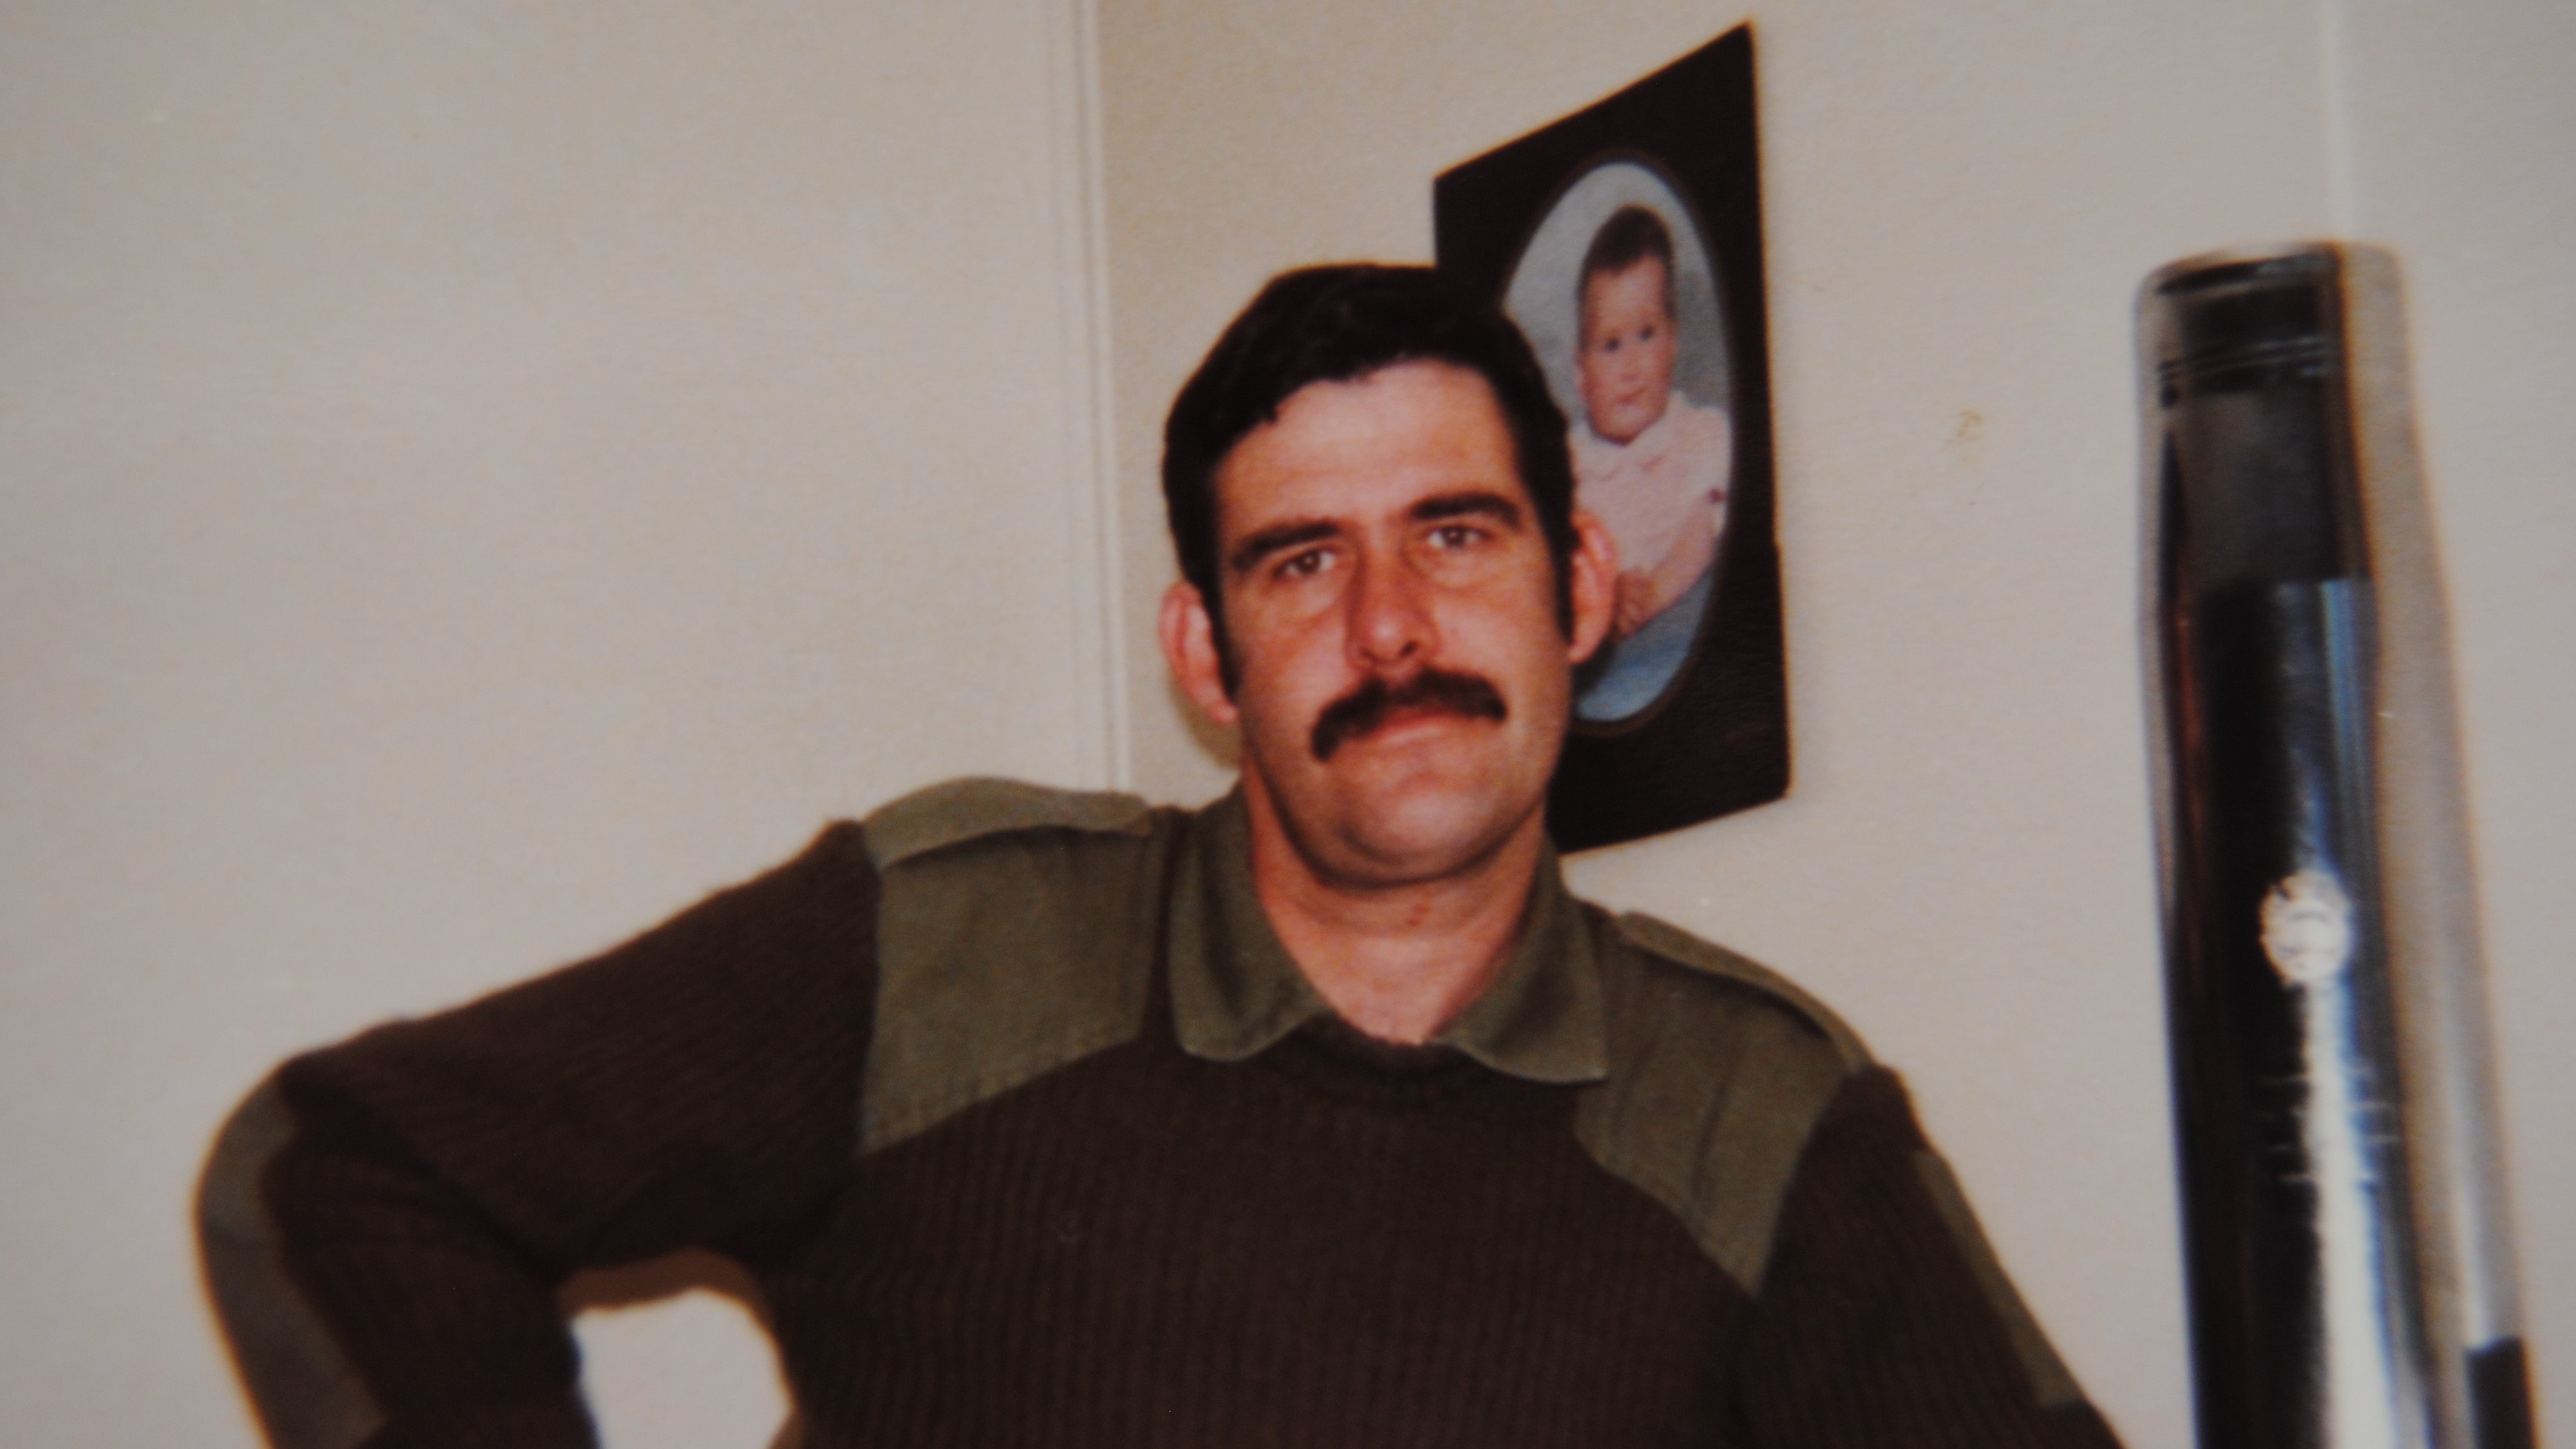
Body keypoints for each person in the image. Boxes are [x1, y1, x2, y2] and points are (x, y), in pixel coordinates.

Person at [200, 264, 2121, 1448]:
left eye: (1457, 536)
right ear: (1205, 651)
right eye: (1303, 564)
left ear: (1581, 586)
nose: (1389, 629)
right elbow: (336, 1169)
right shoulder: (944, 947)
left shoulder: (1765, 1110)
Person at [1567, 204, 1734, 721]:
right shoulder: (1570, 465)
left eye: (1647, 335)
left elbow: (1697, 533)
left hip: (1678, 628)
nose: (1632, 366)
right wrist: (1605, 600)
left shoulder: (1697, 435)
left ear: (1674, 343)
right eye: (1611, 345)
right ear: (1581, 374)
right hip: (1603, 650)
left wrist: (1654, 592)